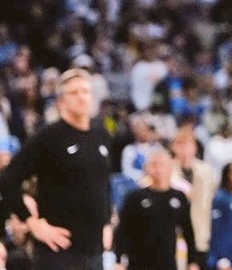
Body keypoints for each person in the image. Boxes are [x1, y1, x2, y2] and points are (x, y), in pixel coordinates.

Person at [0, 68, 112, 270]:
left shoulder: (100, 134)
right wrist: (32, 223)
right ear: (61, 102)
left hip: (94, 251)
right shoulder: (48, 138)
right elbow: (7, 180)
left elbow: (104, 182)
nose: (82, 97)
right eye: (74, 92)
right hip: (58, 251)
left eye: (86, 91)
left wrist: (107, 222)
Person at [114, 148, 200, 270]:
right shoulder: (135, 197)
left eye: (162, 165)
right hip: (139, 263)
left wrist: (192, 261)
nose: (158, 169)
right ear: (146, 168)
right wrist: (119, 260)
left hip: (168, 263)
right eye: (154, 165)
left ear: (170, 167)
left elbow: (188, 230)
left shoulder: (179, 197)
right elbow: (123, 230)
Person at [171, 127, 217, 270]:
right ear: (174, 146)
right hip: (175, 235)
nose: (185, 149)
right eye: (181, 144)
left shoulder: (205, 171)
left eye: (189, 144)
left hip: (200, 231)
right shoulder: (168, 170)